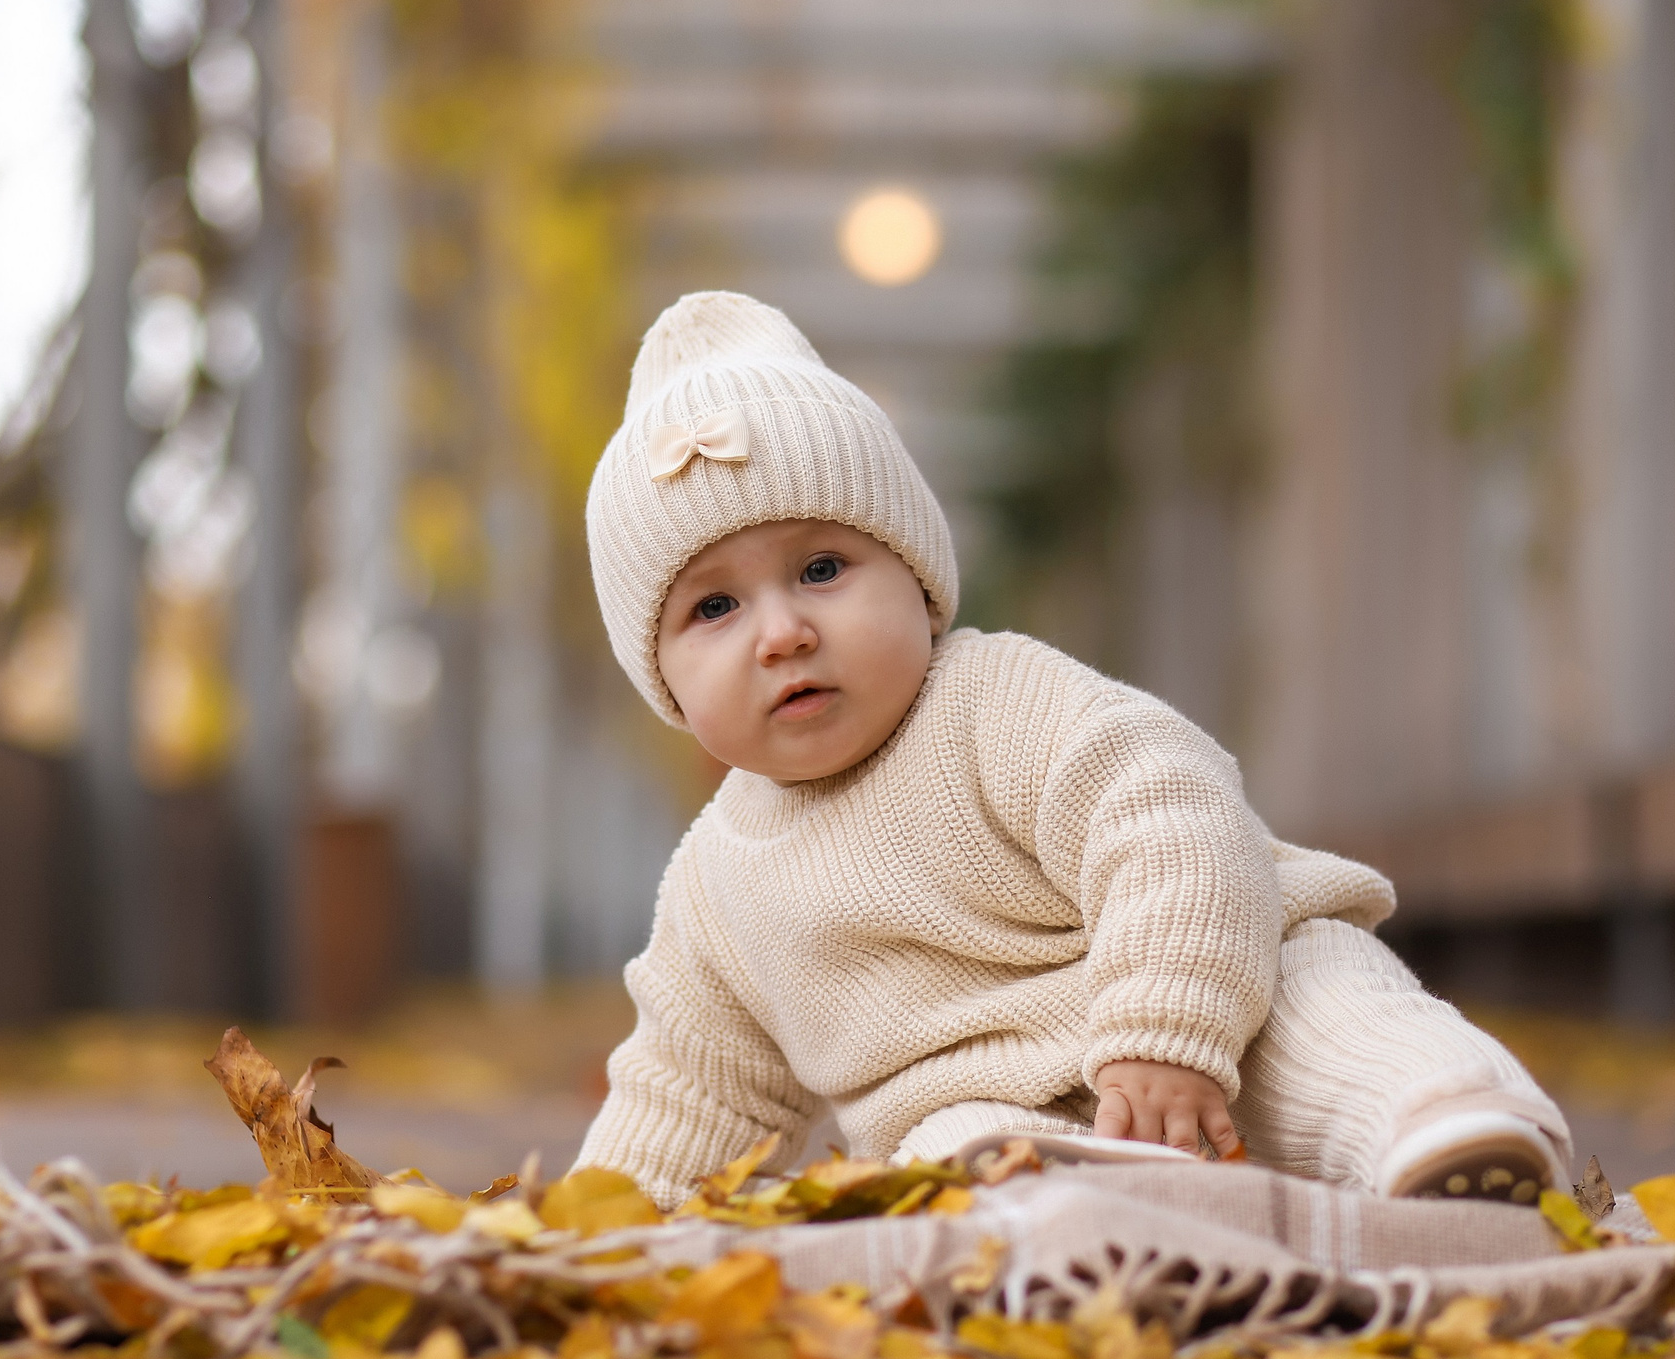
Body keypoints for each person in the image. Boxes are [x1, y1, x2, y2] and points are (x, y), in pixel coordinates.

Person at [572, 290, 1573, 1210]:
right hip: (1024, 1115)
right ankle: (1085, 1221)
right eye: (714, 605)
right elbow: (685, 1090)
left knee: (1335, 1023)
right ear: (658, 674)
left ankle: (1446, 1129)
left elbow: (1166, 810)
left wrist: (1163, 1027)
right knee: (950, 1157)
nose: (781, 631)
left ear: (917, 577)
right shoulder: (713, 886)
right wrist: (595, 1227)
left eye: (822, 568)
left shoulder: (992, 699)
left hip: (1221, 991)